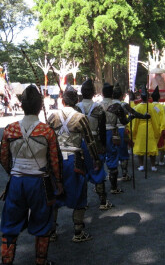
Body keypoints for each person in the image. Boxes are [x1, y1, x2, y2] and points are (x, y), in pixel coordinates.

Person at [0, 85, 64, 264]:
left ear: (22, 105)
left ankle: (7, 261)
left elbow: (3, 157)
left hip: (16, 182)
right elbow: (55, 161)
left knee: (10, 224)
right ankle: (40, 262)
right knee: (42, 223)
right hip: (39, 183)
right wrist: (58, 181)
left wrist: (12, 172)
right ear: (39, 105)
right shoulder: (46, 131)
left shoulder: (10, 129)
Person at [47, 84, 103, 243]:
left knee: (55, 195)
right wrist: (95, 160)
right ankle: (78, 232)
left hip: (55, 161)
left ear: (63, 102)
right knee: (79, 195)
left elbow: (46, 140)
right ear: (76, 101)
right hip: (74, 160)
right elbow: (90, 143)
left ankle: (51, 231)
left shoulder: (53, 117)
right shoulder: (81, 118)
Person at [76, 78, 113, 210]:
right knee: (98, 170)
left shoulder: (76, 108)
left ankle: (83, 202)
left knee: (82, 172)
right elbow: (102, 130)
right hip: (95, 142)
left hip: (79, 143)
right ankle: (103, 202)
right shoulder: (98, 108)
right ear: (93, 93)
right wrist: (103, 145)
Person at [100, 83, 124, 193]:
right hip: (112, 132)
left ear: (102, 93)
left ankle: (100, 190)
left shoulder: (97, 105)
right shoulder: (116, 105)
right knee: (113, 157)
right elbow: (124, 121)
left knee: (99, 158)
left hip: (100, 133)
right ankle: (113, 187)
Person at [132, 86, 160, 171]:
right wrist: (156, 130)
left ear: (141, 97)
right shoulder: (153, 107)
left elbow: (135, 121)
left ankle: (141, 165)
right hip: (150, 127)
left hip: (140, 128)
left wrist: (134, 130)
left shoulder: (137, 107)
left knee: (141, 147)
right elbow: (155, 119)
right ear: (148, 97)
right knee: (151, 147)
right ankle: (153, 165)